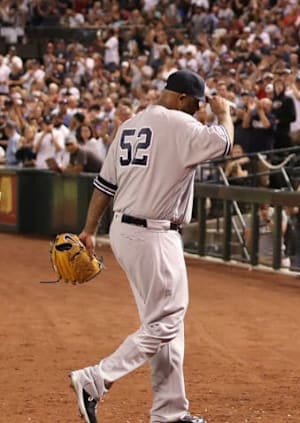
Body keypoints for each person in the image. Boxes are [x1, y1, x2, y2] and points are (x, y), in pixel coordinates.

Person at [69, 69, 234, 423]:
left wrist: (89, 228)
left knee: (162, 321)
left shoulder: (129, 125)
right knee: (168, 320)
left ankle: (170, 413)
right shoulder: (179, 123)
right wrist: (224, 113)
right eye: (194, 103)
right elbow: (224, 142)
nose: (195, 111)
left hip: (125, 232)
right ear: (178, 97)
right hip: (153, 235)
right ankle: (96, 379)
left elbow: (105, 185)